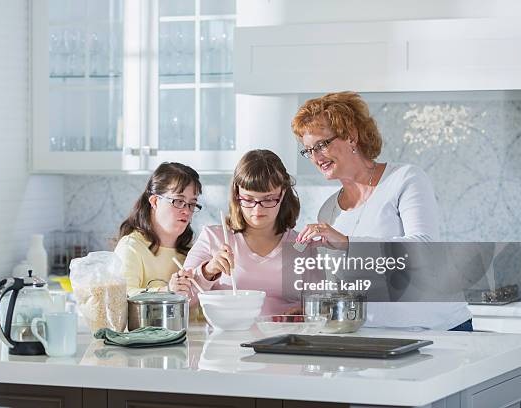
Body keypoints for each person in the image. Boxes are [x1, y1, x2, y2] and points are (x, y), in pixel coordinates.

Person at [291, 91, 473, 331]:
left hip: (439, 329)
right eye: (308, 149)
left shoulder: (405, 179)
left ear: (351, 136)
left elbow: (424, 248)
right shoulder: (328, 211)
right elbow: (340, 287)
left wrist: (347, 243)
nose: (315, 157)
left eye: (322, 145)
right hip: (376, 333)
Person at [182, 149, 301, 315]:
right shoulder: (213, 238)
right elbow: (182, 301)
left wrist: (305, 310)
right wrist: (208, 271)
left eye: (268, 199)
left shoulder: (302, 246)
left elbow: (324, 303)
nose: (257, 209)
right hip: (227, 340)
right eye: (249, 199)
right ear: (237, 194)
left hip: (285, 338)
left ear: (283, 193)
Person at [114, 162, 202, 297]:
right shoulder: (131, 246)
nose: (186, 211)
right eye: (178, 201)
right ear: (155, 201)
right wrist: (167, 291)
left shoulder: (191, 253)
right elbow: (121, 296)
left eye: (192, 204)